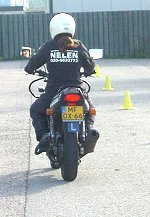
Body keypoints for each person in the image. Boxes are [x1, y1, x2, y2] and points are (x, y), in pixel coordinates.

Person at [24, 13, 97, 154]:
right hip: (77, 90)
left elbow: (33, 63)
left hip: (54, 92)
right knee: (90, 110)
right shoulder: (79, 45)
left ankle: (45, 135)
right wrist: (89, 71)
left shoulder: (48, 46)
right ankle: (88, 132)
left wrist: (30, 69)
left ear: (53, 28)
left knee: (35, 110)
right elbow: (90, 66)